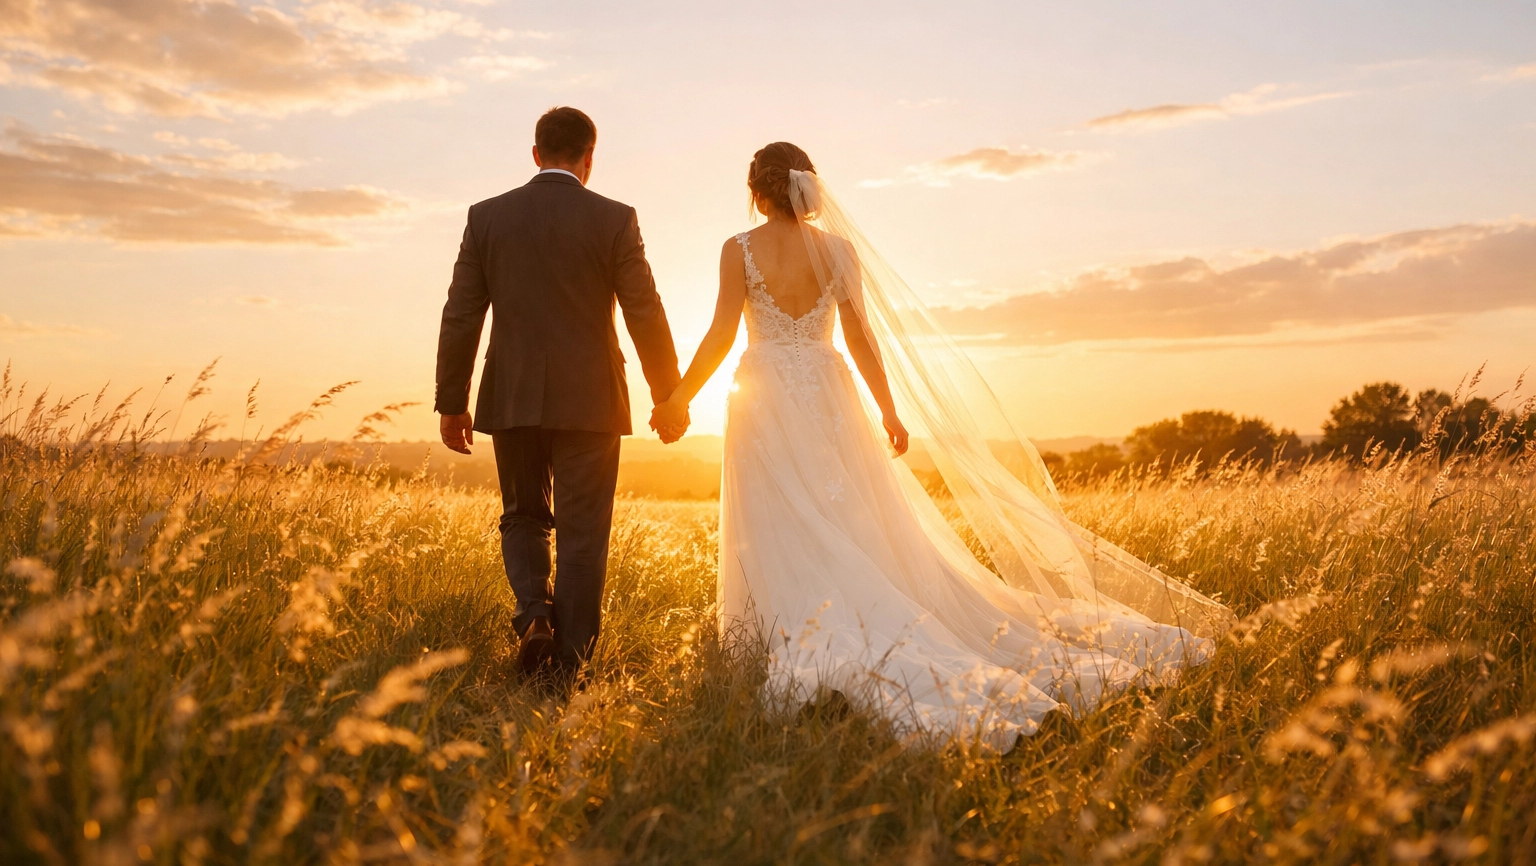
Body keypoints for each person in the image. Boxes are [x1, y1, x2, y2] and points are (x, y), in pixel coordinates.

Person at [650, 142, 1231, 748]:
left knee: (779, 513)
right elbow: (859, 335)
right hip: (830, 389)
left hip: (763, 391)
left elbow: (721, 330)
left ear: (757, 189)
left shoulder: (738, 249)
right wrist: (888, 409)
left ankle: (782, 626)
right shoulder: (837, 250)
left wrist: (680, 397)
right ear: (804, 187)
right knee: (848, 513)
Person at [435, 106, 684, 678]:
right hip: (593, 400)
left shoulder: (487, 217)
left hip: (513, 394)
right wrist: (668, 393)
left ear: (535, 153)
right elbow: (644, 310)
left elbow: (461, 314)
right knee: (583, 529)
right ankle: (569, 660)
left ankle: (533, 618)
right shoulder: (615, 219)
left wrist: (453, 400)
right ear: (589, 159)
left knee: (523, 515)